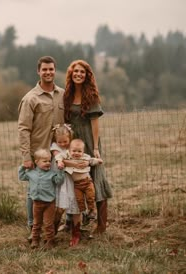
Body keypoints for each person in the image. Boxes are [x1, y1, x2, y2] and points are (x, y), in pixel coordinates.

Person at [18, 56, 64, 240]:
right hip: (38, 154)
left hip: (58, 153)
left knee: (57, 189)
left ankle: (51, 227)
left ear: (55, 70)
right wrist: (26, 156)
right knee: (34, 192)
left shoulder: (62, 94)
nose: (48, 72)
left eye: (51, 69)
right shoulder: (30, 98)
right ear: (38, 71)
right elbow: (23, 128)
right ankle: (32, 228)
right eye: (44, 69)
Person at [64, 59, 112, 234]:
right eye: (75, 71)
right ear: (71, 74)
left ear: (87, 76)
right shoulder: (67, 95)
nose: (78, 74)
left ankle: (101, 225)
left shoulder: (91, 95)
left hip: (90, 142)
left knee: (96, 178)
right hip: (73, 143)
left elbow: (95, 123)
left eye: (82, 72)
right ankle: (73, 222)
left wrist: (96, 148)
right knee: (74, 179)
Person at [18, 149, 65, 249]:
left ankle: (50, 241)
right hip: (36, 203)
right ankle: (35, 240)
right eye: (45, 161)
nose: (48, 163)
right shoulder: (31, 173)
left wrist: (61, 170)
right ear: (36, 162)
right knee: (36, 223)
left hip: (49, 203)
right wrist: (23, 166)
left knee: (48, 223)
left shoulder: (52, 174)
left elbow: (59, 181)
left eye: (49, 161)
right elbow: (21, 176)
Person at [56, 138, 103, 220]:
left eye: (79, 151)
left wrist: (98, 161)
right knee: (79, 200)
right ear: (69, 150)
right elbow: (58, 156)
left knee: (90, 197)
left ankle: (92, 211)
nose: (76, 153)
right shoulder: (68, 156)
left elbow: (92, 161)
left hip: (87, 182)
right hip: (77, 185)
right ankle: (84, 213)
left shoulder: (85, 157)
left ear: (83, 151)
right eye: (74, 151)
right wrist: (60, 161)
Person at [50, 124, 80, 234]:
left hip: (71, 177)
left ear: (70, 138)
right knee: (59, 207)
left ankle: (76, 230)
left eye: (65, 142)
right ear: (56, 141)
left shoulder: (72, 146)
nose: (62, 144)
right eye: (60, 142)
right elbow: (58, 157)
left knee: (74, 203)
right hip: (60, 178)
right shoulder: (54, 147)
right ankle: (53, 229)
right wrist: (61, 161)